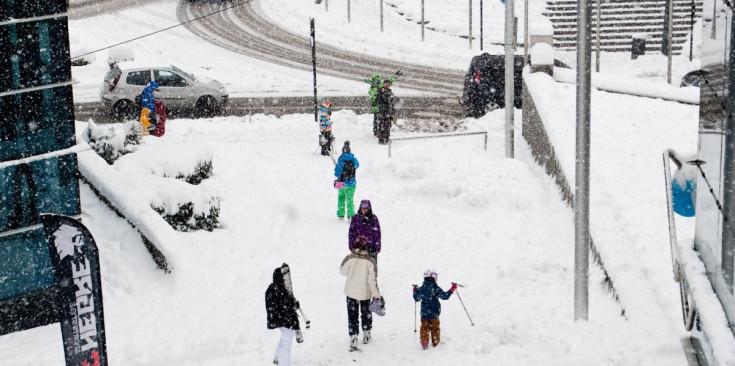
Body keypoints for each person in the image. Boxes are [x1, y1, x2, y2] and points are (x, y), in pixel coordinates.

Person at [340, 236, 382, 351]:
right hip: (365, 294)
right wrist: (377, 295)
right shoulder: (370, 261)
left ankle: (353, 336)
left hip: (351, 292)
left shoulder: (350, 258)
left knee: (352, 315)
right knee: (366, 314)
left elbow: (342, 272)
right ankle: (366, 333)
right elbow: (372, 281)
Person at [266, 263, 302, 366]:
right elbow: (287, 307)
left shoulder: (272, 288)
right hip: (284, 320)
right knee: (287, 345)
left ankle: (277, 357)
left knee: (284, 338)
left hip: (276, 320)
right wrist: (294, 305)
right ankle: (283, 363)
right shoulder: (281, 290)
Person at [413, 270, 457, 350]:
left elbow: (417, 298)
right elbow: (444, 296)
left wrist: (415, 291)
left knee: (424, 327)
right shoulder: (436, 288)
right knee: (435, 328)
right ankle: (435, 341)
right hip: (434, 313)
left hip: (425, 313)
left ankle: (424, 339)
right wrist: (452, 289)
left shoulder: (422, 289)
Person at [335, 141, 359, 220]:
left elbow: (337, 173)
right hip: (352, 183)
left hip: (342, 184)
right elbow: (357, 165)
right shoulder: (354, 159)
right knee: (350, 199)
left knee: (341, 198)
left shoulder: (341, 160)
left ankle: (341, 214)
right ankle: (351, 215)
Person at [376, 79, 395, 144]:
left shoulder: (390, 92)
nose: (387, 85)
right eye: (386, 83)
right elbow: (378, 101)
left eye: (388, 84)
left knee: (388, 125)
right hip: (382, 111)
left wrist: (392, 110)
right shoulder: (380, 90)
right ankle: (381, 139)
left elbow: (391, 102)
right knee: (382, 125)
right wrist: (382, 93)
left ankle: (386, 138)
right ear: (383, 84)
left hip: (388, 111)